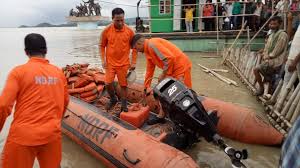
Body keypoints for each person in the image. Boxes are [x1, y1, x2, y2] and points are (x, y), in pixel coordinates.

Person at [0, 33, 69, 168]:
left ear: (26, 52)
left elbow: (3, 105)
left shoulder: (18, 72)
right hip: (51, 135)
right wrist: (54, 122)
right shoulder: (58, 73)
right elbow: (65, 101)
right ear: (46, 51)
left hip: (23, 136)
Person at [131, 34, 192, 125]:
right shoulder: (148, 52)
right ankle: (161, 116)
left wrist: (163, 74)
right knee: (161, 92)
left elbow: (169, 58)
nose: (137, 51)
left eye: (136, 48)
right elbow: (149, 70)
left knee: (183, 95)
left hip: (181, 68)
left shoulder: (152, 44)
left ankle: (187, 120)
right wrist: (145, 87)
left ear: (139, 43)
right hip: (171, 70)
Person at [99, 7, 137, 112]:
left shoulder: (130, 31)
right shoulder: (106, 31)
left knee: (124, 85)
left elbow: (135, 48)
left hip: (124, 64)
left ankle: (124, 104)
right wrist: (103, 60)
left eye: (122, 20)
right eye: (117, 20)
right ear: (112, 19)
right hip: (110, 63)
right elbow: (101, 46)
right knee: (108, 83)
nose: (120, 23)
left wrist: (133, 62)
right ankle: (113, 99)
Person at [253, 16, 288, 96]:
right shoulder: (272, 34)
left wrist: (268, 57)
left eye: (274, 24)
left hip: (275, 61)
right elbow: (267, 47)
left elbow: (277, 50)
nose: (272, 25)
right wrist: (264, 54)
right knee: (266, 76)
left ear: (280, 24)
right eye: (271, 24)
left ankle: (261, 88)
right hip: (269, 60)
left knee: (256, 70)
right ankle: (267, 88)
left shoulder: (282, 35)